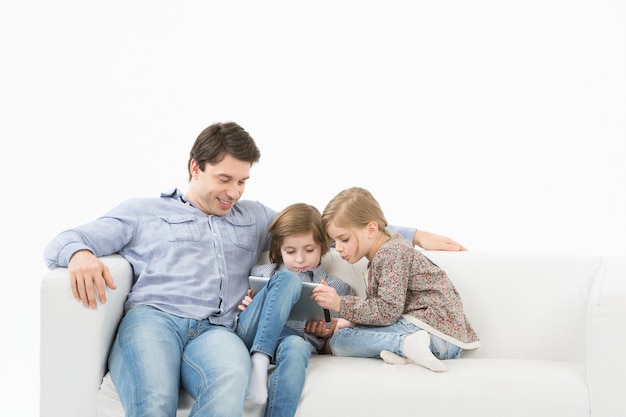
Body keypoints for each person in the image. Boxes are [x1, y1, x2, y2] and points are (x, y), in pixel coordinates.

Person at [43, 122, 468, 417]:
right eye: (225, 179)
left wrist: (407, 233)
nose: (234, 192)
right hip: (154, 319)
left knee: (230, 386)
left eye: (243, 182)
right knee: (154, 402)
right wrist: (80, 254)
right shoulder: (142, 212)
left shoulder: (252, 217)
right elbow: (61, 241)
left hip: (217, 331)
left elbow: (320, 224)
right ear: (196, 167)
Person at [312, 187, 480, 372]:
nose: (340, 248)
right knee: (343, 334)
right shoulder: (386, 254)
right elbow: (386, 309)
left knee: (340, 341)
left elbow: (387, 311)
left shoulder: (392, 253)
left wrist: (340, 304)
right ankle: (408, 353)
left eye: (344, 239)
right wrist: (350, 321)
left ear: (371, 229)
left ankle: (403, 344)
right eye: (335, 241)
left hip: (435, 335)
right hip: (433, 337)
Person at [238, 203, 359, 417]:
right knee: (286, 279)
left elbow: (338, 336)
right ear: (279, 250)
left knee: (296, 345)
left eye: (309, 250)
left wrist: (326, 331)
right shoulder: (262, 273)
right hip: (254, 333)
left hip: (293, 343)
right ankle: (259, 357)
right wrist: (249, 307)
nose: (300, 259)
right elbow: (241, 315)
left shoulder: (337, 289)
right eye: (290, 251)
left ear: (322, 247)